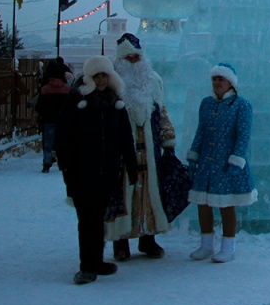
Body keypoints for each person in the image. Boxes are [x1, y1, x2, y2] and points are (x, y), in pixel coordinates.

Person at [54, 56, 137, 286]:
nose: (101, 80)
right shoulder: (77, 101)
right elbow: (62, 134)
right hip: (81, 172)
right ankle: (86, 266)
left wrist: (131, 166)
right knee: (86, 220)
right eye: (97, 76)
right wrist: (66, 166)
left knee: (99, 219)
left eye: (104, 76)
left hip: (105, 172)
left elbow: (124, 137)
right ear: (89, 78)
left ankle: (97, 262)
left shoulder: (114, 102)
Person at [108, 33, 179, 261]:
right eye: (127, 58)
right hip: (121, 154)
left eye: (136, 57)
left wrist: (168, 141)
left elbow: (162, 113)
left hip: (149, 152)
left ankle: (147, 238)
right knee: (123, 196)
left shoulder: (153, 80)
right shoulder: (112, 85)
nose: (132, 62)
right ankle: (121, 241)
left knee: (148, 196)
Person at [187, 63, 257, 262]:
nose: (217, 82)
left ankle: (228, 246)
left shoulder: (241, 105)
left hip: (226, 163)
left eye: (221, 79)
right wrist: (194, 155)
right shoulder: (206, 103)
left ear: (230, 83)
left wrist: (237, 160)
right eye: (214, 79)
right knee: (203, 203)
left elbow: (243, 135)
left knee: (226, 204)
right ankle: (206, 245)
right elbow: (201, 131)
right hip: (206, 162)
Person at [36, 59, 71, 173]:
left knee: (48, 143)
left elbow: (39, 106)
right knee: (63, 142)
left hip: (48, 119)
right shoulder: (67, 90)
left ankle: (47, 163)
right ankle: (63, 162)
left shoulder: (45, 89)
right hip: (63, 120)